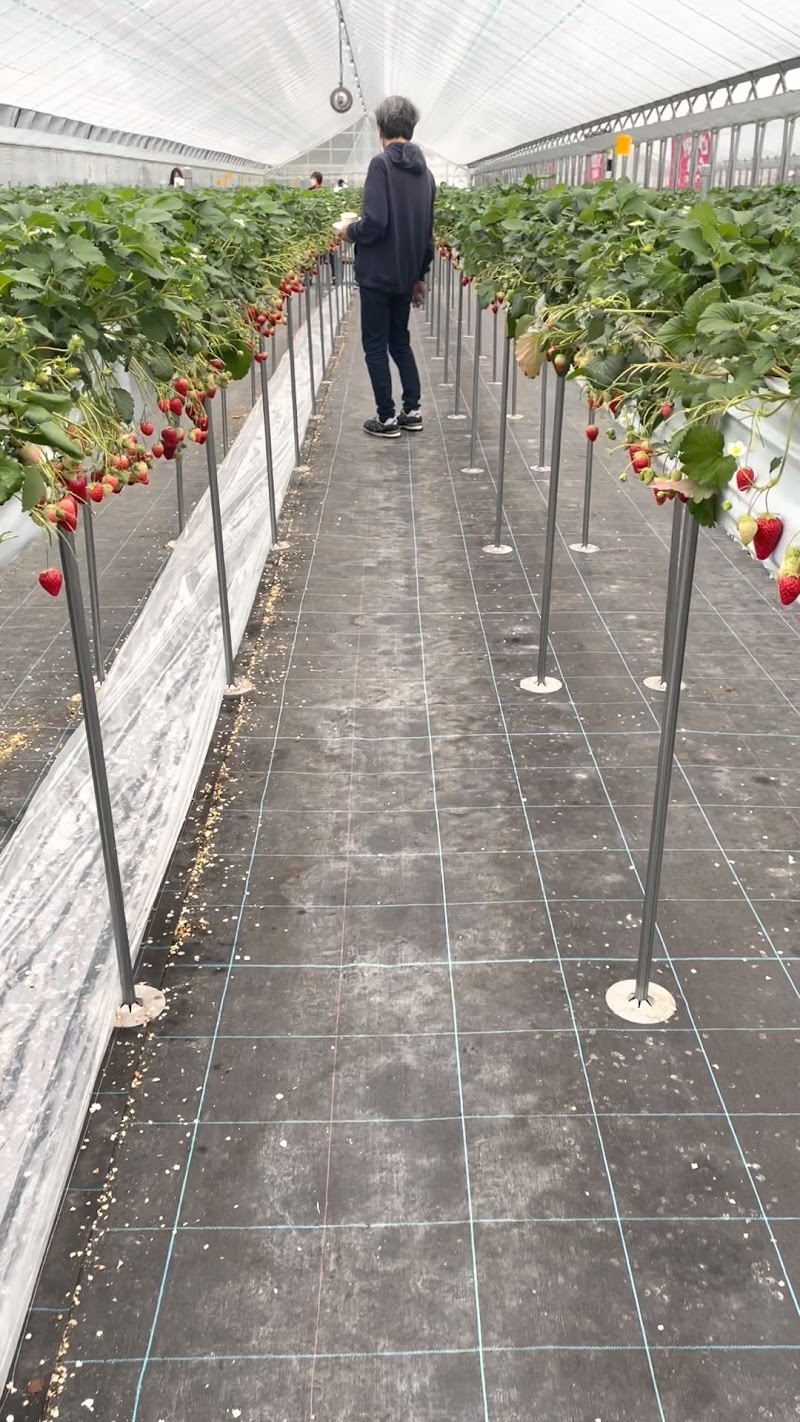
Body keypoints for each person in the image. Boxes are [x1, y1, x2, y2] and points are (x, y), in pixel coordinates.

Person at [340, 96, 434, 437]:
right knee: (400, 342)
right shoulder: (426, 174)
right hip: (406, 275)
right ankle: (412, 411)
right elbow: (427, 235)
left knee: (376, 346)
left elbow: (375, 223)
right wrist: (418, 277)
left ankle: (387, 417)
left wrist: (348, 231)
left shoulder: (381, 165)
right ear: (411, 128)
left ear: (381, 129)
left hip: (378, 274)